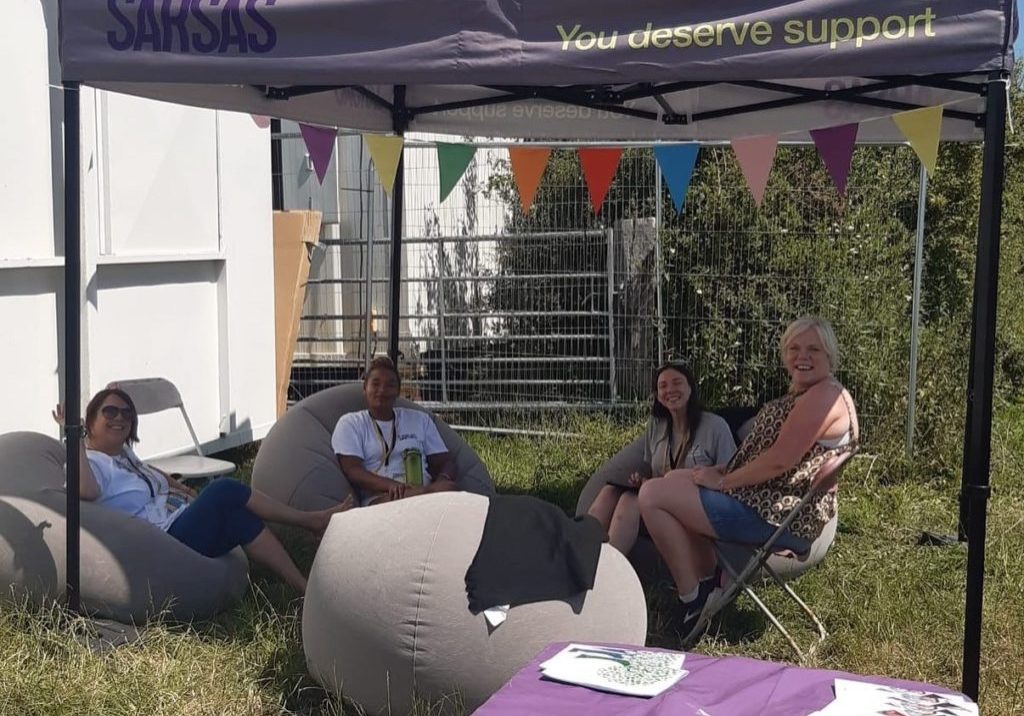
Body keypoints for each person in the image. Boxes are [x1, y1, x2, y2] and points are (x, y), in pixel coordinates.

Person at [638, 316, 859, 640]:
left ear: (830, 356)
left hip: (777, 513)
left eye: (814, 349)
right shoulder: (811, 392)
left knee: (652, 496)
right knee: (674, 479)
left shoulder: (825, 397)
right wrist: (721, 472)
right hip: (767, 500)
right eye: (795, 348)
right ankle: (708, 582)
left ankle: (693, 598)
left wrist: (725, 482)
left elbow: (780, 461)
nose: (803, 356)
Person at [55, 388, 352, 595]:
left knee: (239, 518)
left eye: (127, 412)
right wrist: (74, 438)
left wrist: (180, 487)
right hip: (162, 541)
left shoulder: (123, 454)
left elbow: (149, 473)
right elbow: (85, 491)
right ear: (90, 421)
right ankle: (310, 520)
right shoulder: (90, 461)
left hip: (178, 521)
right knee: (223, 489)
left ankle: (303, 587)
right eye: (109, 411)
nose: (120, 417)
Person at [587, 363, 737, 554]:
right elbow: (655, 472)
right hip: (658, 498)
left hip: (699, 503)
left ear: (690, 388)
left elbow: (731, 473)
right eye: (663, 386)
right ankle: (583, 555)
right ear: (658, 395)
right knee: (610, 492)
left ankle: (607, 571)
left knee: (630, 502)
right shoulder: (657, 426)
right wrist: (642, 482)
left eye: (677, 383)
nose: (670, 390)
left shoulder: (715, 426)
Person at [332, 356, 458, 506]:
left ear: (398, 391)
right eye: (376, 384)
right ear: (365, 389)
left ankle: (427, 496)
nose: (382, 391)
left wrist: (443, 479)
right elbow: (353, 470)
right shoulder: (351, 423)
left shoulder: (419, 419)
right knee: (444, 492)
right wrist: (391, 485)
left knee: (449, 487)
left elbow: (445, 461)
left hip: (425, 491)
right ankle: (427, 496)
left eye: (390, 385)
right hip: (383, 498)